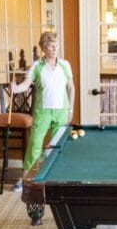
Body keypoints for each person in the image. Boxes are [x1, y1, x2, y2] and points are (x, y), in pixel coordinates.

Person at [9, 31, 74, 191]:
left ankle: (52, 179)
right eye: (52, 45)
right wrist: (15, 89)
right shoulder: (37, 66)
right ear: (44, 48)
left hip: (61, 111)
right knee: (35, 145)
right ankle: (24, 180)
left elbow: (71, 87)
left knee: (56, 146)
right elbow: (26, 84)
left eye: (57, 45)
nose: (55, 48)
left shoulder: (65, 65)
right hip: (42, 111)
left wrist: (71, 109)